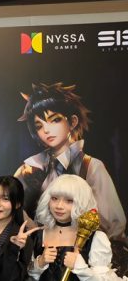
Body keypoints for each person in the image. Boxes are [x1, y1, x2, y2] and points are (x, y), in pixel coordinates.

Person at [15, 82, 125, 239]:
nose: (46, 130)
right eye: (39, 126)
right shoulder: (31, 167)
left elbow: (113, 227)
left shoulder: (91, 167)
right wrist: (36, 234)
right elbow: (10, 204)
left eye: (55, 120)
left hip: (84, 249)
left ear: (72, 121)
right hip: (42, 248)